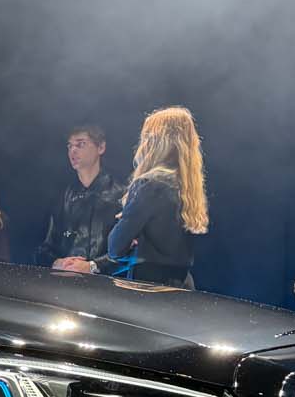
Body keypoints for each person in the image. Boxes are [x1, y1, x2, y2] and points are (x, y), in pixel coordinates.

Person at [55, 107, 207, 287]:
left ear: (156, 140)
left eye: (147, 136)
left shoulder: (149, 183)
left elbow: (115, 247)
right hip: (182, 285)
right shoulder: (188, 186)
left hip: (150, 286)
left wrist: (127, 220)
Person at [39, 122, 125, 266]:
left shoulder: (121, 194)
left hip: (104, 279)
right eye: (70, 146)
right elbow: (45, 247)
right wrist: (57, 262)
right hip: (65, 277)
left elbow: (128, 249)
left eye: (81, 144)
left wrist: (93, 266)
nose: (73, 150)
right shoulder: (63, 196)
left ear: (101, 147)